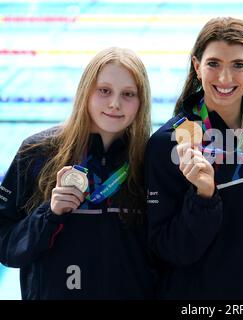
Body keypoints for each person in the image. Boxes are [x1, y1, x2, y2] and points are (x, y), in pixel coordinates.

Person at [145, 17, 243, 299]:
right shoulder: (169, 144)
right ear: (197, 66)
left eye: (238, 65)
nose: (225, 78)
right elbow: (166, 248)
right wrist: (203, 197)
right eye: (214, 64)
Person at [0, 47, 156, 299]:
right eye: (104, 90)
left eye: (128, 94)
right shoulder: (37, 152)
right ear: (86, 91)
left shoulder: (148, 161)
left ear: (141, 101)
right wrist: (49, 214)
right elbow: (6, 245)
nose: (115, 103)